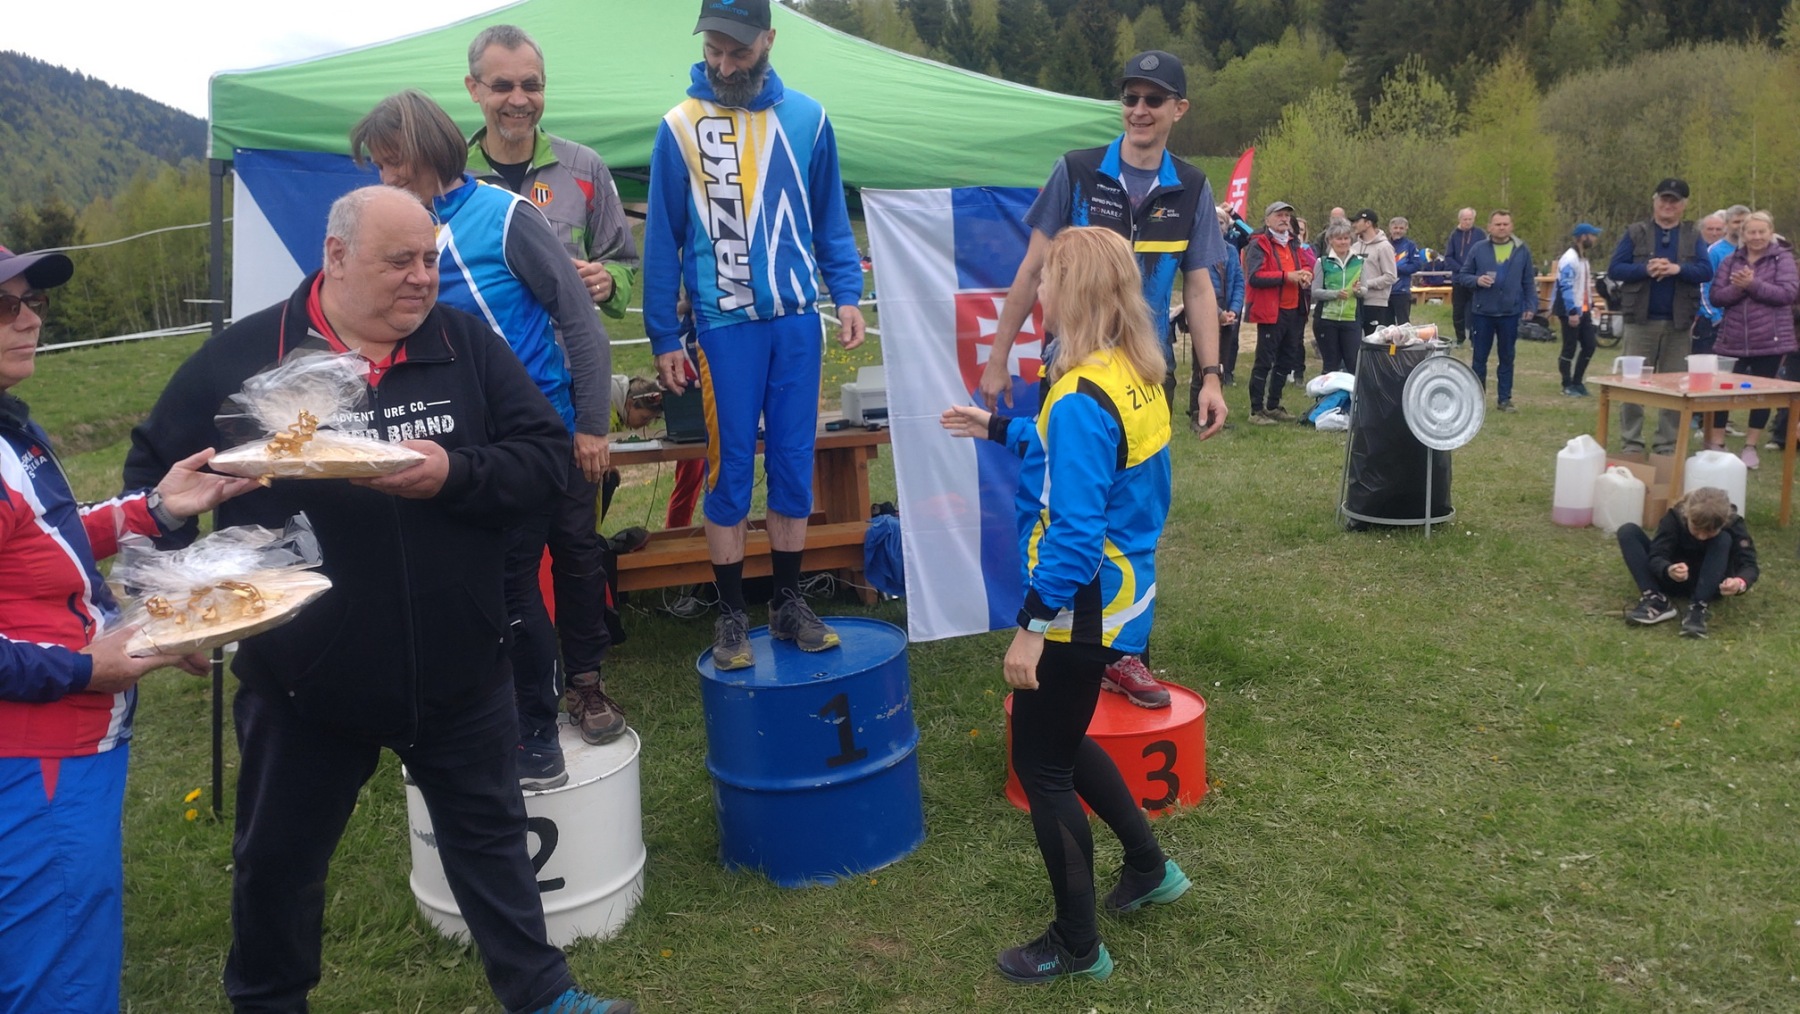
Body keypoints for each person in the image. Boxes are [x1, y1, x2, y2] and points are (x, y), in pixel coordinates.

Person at [123, 187, 637, 1014]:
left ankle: (544, 997)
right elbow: (155, 481)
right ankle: (268, 1003)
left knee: (494, 846)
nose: (422, 278)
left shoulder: (463, 345)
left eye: (430, 259)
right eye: (400, 261)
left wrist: (454, 474)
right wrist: (180, 598)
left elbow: (545, 459)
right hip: (305, 681)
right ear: (335, 256)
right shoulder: (250, 358)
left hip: (462, 665)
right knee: (278, 862)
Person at [1, 245, 253, 1014]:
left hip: (66, 748)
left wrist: (157, 508)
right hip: (39, 755)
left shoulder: (11, 428)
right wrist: (88, 668)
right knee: (60, 979)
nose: (30, 319)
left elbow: (44, 535)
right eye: (5, 307)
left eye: (33, 301)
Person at [350, 90, 625, 782]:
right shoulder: (401, 232)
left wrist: (592, 424)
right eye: (378, 166)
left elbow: (580, 321)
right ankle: (495, 717)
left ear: (425, 151)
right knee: (486, 584)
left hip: (538, 434)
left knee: (531, 576)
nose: (385, 177)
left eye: (392, 162)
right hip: (463, 448)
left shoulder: (503, 216)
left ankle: (544, 724)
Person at [939, 227, 1189, 986]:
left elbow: (1077, 530)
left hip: (1081, 602)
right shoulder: (1131, 370)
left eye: (1046, 278)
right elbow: (1080, 452)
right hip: (1121, 595)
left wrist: (1030, 629)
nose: (1036, 290)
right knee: (1061, 739)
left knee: (1041, 760)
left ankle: (1077, 943)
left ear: (1070, 292)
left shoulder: (1081, 393)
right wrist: (997, 426)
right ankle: (1148, 867)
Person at [644, 0, 867, 670]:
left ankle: (789, 602)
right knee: (730, 470)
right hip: (723, 328)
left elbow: (830, 221)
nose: (723, 64)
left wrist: (846, 295)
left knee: (795, 463)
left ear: (769, 39)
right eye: (713, 49)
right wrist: (664, 335)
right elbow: (662, 240)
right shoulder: (680, 126)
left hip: (796, 321)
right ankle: (732, 614)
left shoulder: (809, 118)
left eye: (738, 51)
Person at [979, 49, 1227, 435]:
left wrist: (1211, 377)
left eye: (1153, 100)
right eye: (1130, 98)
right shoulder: (1077, 171)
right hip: (1074, 368)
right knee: (1068, 471)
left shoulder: (1192, 186)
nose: (1139, 110)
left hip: (1148, 370)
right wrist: (998, 360)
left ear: (1179, 109)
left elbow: (1198, 288)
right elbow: (1032, 271)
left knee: (1142, 474)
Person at [464, 24, 639, 322]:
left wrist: (608, 282)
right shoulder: (450, 176)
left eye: (531, 86)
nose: (519, 100)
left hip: (566, 349)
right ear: (473, 88)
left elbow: (622, 260)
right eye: (502, 86)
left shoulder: (585, 167)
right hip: (479, 350)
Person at [1608, 178, 1711, 456]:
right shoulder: (1636, 232)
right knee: (1632, 385)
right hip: (1640, 321)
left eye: (1674, 201)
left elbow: (1706, 271)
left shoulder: (1693, 235)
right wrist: (1646, 269)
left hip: (1679, 323)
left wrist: (1677, 269)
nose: (1668, 205)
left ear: (1683, 205)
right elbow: (1615, 268)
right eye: (1664, 199)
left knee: (1675, 386)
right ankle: (1631, 442)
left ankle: (1667, 444)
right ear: (1655, 201)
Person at [1706, 211, 1799, 469]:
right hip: (1732, 337)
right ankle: (1717, 443)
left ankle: (1750, 446)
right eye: (1751, 232)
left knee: (1762, 394)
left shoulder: (1783, 259)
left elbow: (1787, 294)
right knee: (1722, 391)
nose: (1757, 237)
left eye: (1761, 231)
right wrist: (1738, 287)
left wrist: (1752, 284)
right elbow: (1716, 297)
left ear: (1770, 232)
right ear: (1743, 234)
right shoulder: (1729, 260)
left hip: (1770, 338)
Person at [1619, 486, 1756, 639]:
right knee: (1628, 531)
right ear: (1687, 515)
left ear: (1724, 522)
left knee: (1723, 539)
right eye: (1696, 529)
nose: (1701, 536)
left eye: (1710, 531)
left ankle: (1698, 607)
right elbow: (1657, 554)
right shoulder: (1674, 518)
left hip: (1711, 580)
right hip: (1672, 577)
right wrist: (1667, 569)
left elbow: (1749, 564)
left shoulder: (1734, 524)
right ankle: (1655, 598)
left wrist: (1739, 583)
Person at [1455, 209, 1537, 412]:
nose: (1502, 228)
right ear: (1489, 227)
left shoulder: (1521, 250)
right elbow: (1462, 275)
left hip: (1510, 312)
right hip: (1483, 312)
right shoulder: (1478, 249)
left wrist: (1530, 305)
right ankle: (1477, 399)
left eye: (1505, 224)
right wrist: (1477, 280)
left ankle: (1504, 399)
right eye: (1498, 224)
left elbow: (1528, 280)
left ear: (1511, 226)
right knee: (1479, 358)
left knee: (1507, 357)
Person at [1244, 200, 1312, 424]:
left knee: (1286, 360)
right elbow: (1254, 276)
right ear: (1267, 220)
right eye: (1279, 215)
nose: (1284, 219)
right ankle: (1256, 410)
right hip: (1271, 311)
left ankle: (1273, 405)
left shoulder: (1293, 242)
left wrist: (1306, 274)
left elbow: (1305, 263)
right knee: (1264, 361)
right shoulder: (1258, 244)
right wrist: (1286, 277)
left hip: (1295, 310)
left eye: (1286, 215)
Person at [1198, 205, 1245, 405]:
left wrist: (1234, 310)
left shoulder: (1231, 251)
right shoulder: (1198, 250)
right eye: (1213, 222)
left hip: (1229, 311)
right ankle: (1197, 412)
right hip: (1206, 311)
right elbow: (1197, 288)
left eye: (1221, 223)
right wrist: (1217, 313)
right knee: (1202, 365)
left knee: (1222, 363)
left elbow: (1239, 282)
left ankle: (1217, 406)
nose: (1217, 227)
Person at [1554, 223, 1603, 397]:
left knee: (1589, 345)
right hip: (1570, 309)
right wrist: (1572, 312)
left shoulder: (1583, 259)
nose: (1595, 239)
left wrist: (1592, 304)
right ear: (1583, 237)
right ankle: (1567, 384)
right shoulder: (1570, 258)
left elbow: (1583, 286)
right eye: (1592, 235)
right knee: (1570, 347)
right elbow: (1566, 286)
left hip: (1584, 309)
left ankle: (1578, 381)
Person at [1311, 217, 1364, 374]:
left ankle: (1353, 390)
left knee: (1353, 363)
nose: (1343, 242)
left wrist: (1358, 291)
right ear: (1330, 240)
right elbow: (1315, 291)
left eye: (1346, 238)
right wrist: (1335, 294)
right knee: (1331, 364)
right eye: (1339, 238)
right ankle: (1327, 390)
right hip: (1326, 320)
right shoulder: (1322, 262)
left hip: (1351, 319)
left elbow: (1365, 289)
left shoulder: (1360, 261)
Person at [1349, 209, 1398, 330]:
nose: (1354, 225)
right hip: (1354, 302)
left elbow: (1391, 276)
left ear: (1368, 223)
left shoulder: (1384, 247)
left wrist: (1366, 284)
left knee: (1373, 339)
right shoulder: (1354, 247)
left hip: (1376, 304)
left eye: (1357, 221)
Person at [1443, 207, 1480, 346]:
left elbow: (1484, 254)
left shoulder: (1480, 234)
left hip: (1475, 279)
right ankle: (1460, 339)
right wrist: (1462, 270)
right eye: (1465, 219)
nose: (1468, 222)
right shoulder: (1454, 235)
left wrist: (1474, 271)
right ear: (1460, 219)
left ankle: (1475, 340)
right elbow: (1448, 257)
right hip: (1458, 279)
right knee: (1458, 310)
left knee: (1475, 310)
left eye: (1470, 219)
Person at [1389, 216, 1423, 325]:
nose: (1398, 231)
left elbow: (1417, 265)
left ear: (1406, 229)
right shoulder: (1384, 244)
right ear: (1390, 229)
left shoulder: (1410, 245)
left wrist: (1397, 269)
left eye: (1401, 228)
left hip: (1401, 291)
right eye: (1395, 228)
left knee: (1403, 324)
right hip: (1384, 291)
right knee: (1386, 325)